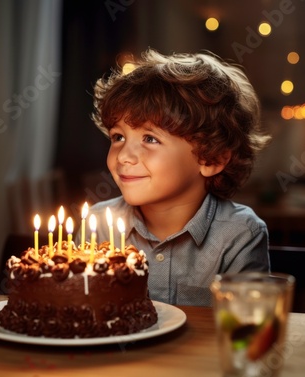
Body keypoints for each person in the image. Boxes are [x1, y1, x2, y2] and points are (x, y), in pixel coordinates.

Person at [88, 48, 271, 306]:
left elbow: (244, 331)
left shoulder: (240, 234)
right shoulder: (97, 225)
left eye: (150, 139)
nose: (123, 157)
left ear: (212, 158)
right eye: (118, 137)